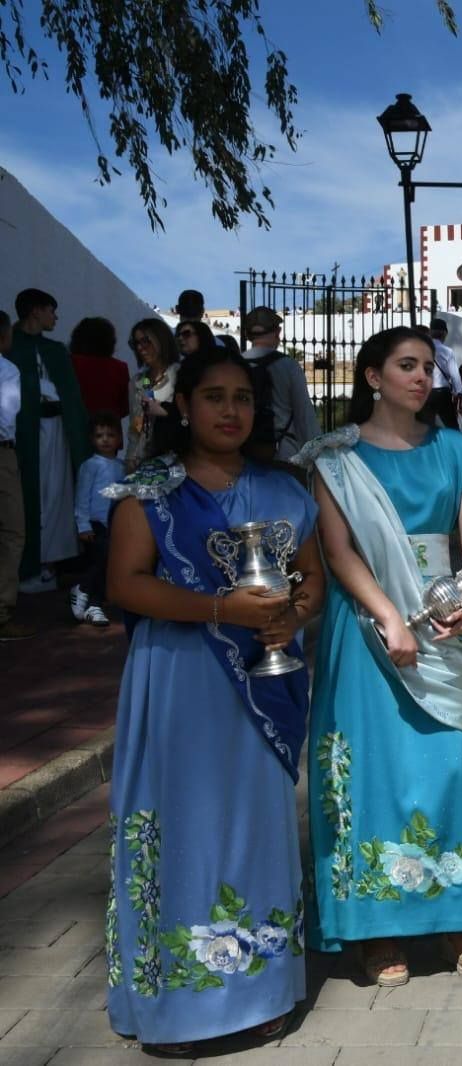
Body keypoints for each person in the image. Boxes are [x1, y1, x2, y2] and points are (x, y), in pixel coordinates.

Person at [103, 346, 325, 1053]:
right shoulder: (152, 491)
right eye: (214, 397)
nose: (230, 411)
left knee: (256, 826)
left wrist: (296, 611)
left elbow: (312, 579)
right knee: (180, 826)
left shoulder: (288, 490)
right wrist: (218, 608)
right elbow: (128, 584)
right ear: (186, 406)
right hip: (180, 677)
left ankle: (259, 992)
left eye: (243, 398)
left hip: (265, 676)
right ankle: (176, 1005)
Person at [300, 326, 462, 988]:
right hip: (363, 624)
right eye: (405, 365)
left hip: (442, 620)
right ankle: (376, 929)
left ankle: (455, 916)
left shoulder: (452, 448)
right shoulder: (336, 456)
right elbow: (339, 553)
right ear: (372, 376)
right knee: (371, 771)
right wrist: (390, 617)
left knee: (444, 765)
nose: (421, 377)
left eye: (427, 367)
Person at [7, 289, 89, 594]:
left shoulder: (56, 350)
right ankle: (24, 566)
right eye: (51, 310)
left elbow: (70, 396)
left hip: (56, 433)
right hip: (24, 433)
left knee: (56, 494)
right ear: (35, 311)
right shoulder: (11, 346)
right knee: (27, 496)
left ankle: (47, 564)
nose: (55, 317)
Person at [241, 306, 318, 463]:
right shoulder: (288, 365)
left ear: (247, 335)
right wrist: (316, 455)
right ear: (277, 332)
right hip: (284, 452)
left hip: (243, 452)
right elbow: (304, 415)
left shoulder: (235, 365)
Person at [71, 412, 124, 626]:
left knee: (108, 564)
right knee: (100, 560)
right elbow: (82, 496)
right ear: (92, 439)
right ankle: (85, 591)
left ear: (119, 439)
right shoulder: (90, 465)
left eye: (110, 435)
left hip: (114, 524)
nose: (105, 439)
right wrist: (82, 525)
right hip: (95, 524)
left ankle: (93, 604)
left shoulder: (122, 466)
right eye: (99, 435)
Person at [0, 311, 30, 640]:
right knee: (11, 531)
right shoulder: (7, 369)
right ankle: (2, 611)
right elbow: (8, 413)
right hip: (1, 451)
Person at [126, 318, 182, 471]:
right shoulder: (137, 381)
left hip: (176, 459)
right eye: (136, 343)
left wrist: (164, 412)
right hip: (144, 462)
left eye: (146, 341)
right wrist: (131, 455)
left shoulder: (180, 375)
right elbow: (136, 422)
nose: (141, 348)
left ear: (161, 339)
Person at [68, 317, 130, 429]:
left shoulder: (69, 362)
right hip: (107, 433)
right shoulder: (120, 368)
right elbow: (125, 406)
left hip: (72, 430)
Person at [425, 319, 462, 431]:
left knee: (426, 429)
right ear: (444, 333)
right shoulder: (447, 351)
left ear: (430, 332)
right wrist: (460, 393)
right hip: (442, 393)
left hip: (425, 392)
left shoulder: (422, 349)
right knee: (452, 428)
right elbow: (454, 375)